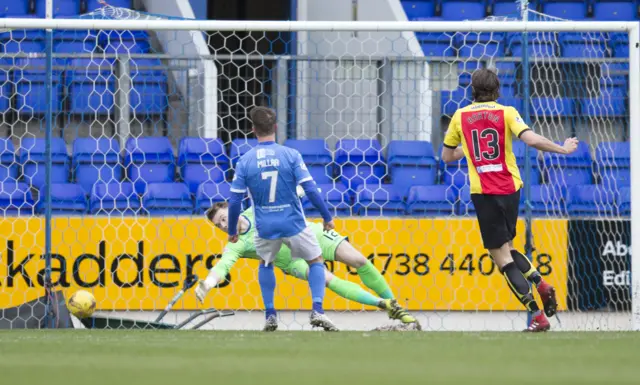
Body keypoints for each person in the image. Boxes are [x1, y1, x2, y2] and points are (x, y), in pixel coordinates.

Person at [441, 68, 578, 332]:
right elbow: (531, 139)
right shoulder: (506, 112)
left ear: (472, 90)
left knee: (501, 258)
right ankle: (541, 284)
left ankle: (537, 314)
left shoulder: (460, 116)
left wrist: (468, 148)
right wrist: (562, 148)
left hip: (485, 192)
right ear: (496, 89)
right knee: (510, 248)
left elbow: (447, 157)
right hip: (511, 188)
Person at [195, 202, 420, 330]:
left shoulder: (257, 208)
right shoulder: (236, 244)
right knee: (327, 279)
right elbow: (223, 266)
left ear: (232, 208)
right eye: (219, 225)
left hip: (310, 235)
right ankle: (386, 304)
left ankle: (398, 307)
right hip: (292, 261)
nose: (223, 225)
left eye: (224, 218)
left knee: (360, 261)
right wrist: (207, 283)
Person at [226, 106, 338, 331]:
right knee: (316, 260)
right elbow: (311, 190)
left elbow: (235, 201)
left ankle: (270, 315)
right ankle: (317, 310)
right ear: (276, 127)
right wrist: (327, 217)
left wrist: (232, 231)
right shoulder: (291, 155)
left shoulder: (245, 160)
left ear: (252, 129)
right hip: (294, 222)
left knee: (266, 263)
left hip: (265, 224)